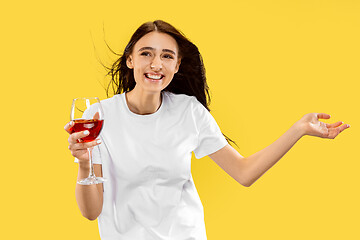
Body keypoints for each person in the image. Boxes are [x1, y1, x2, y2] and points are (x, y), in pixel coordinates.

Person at [64, 20, 350, 240]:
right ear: (130, 60)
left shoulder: (188, 111)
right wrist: (84, 163)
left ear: (176, 66)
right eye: (146, 53)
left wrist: (298, 129)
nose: (155, 64)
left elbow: (244, 172)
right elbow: (91, 213)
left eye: (166, 56)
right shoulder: (99, 116)